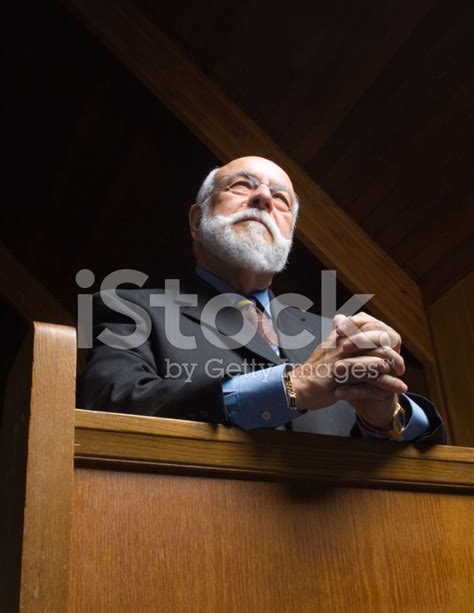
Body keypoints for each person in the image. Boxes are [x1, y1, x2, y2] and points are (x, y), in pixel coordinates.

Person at [77, 156, 444, 443]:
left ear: (288, 234)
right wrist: (289, 388)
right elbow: (107, 404)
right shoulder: (129, 309)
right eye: (241, 185)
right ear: (196, 221)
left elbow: (419, 459)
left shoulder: (336, 334)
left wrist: (384, 417)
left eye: (281, 199)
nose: (264, 197)